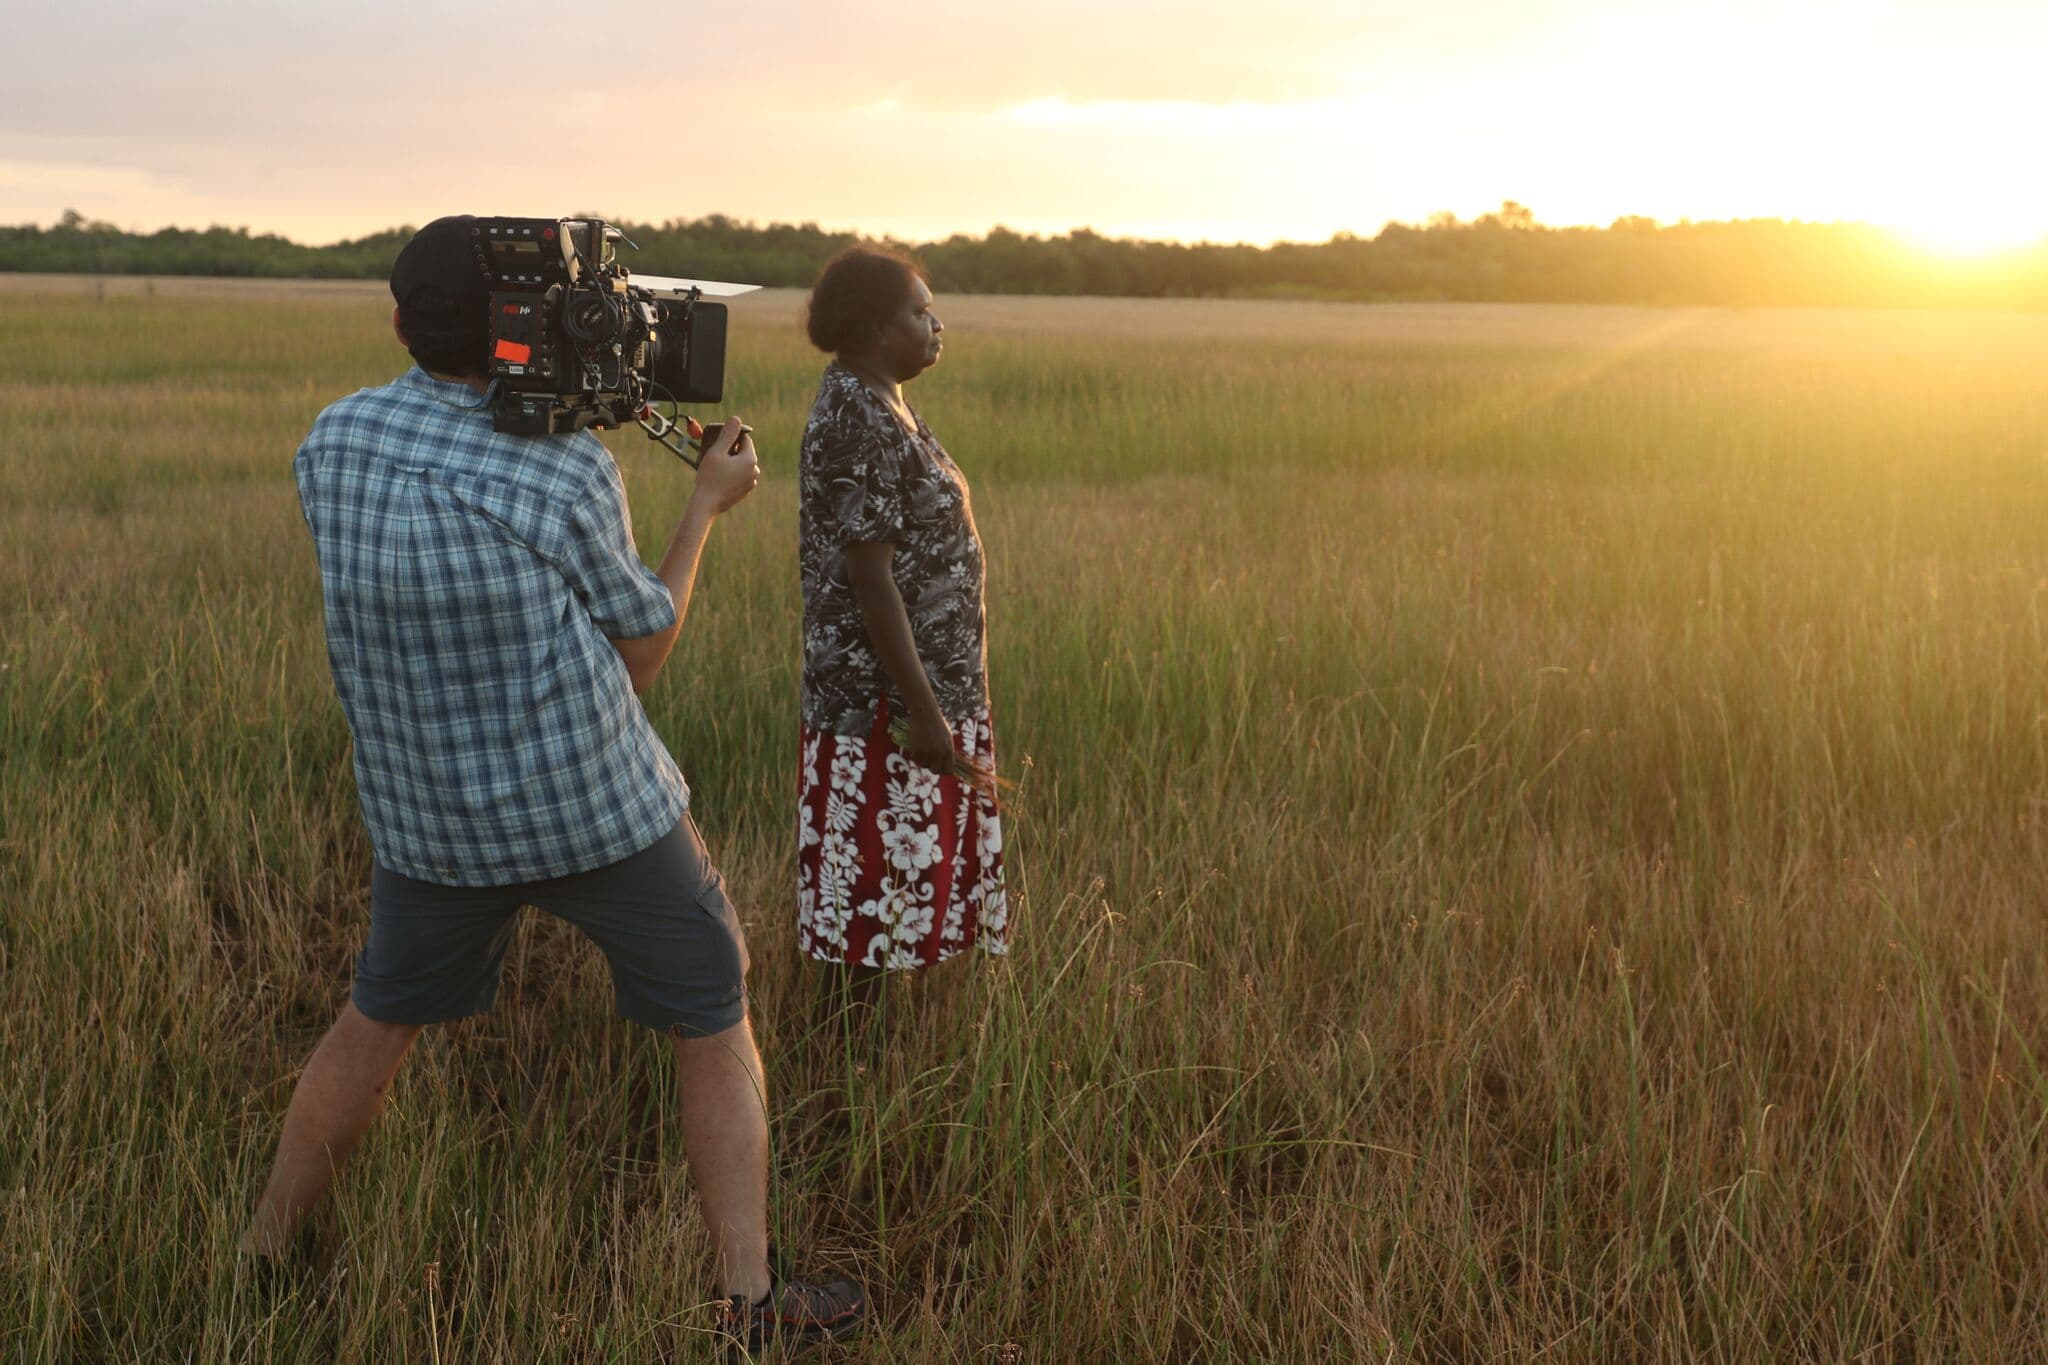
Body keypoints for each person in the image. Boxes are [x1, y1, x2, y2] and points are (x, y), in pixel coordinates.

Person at [242, 216, 864, 1355]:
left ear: (397, 320)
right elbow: (640, 651)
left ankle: (265, 1256)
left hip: (423, 821)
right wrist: (703, 508)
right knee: (711, 1001)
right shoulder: (565, 467)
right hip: (593, 808)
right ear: (523, 331)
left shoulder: (329, 441)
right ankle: (748, 1299)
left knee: (376, 1021)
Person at [795, 246, 1008, 982]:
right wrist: (922, 709)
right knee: (871, 926)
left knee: (901, 910)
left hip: (917, 703)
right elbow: (870, 580)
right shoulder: (856, 417)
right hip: (880, 713)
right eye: (920, 312)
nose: (935, 323)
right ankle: (845, 1080)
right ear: (877, 329)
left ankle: (878, 1073)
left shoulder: (884, 400)